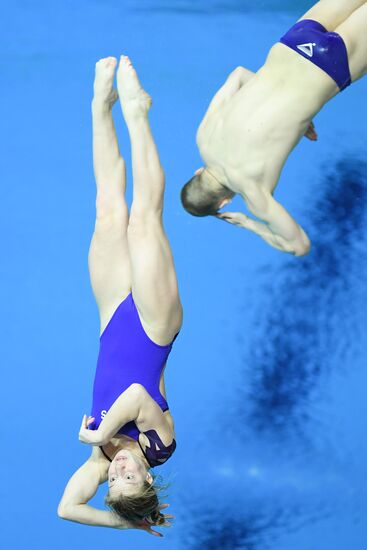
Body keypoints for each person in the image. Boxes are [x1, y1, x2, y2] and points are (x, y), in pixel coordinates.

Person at [58, 55, 183, 535]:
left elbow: (67, 509)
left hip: (112, 316)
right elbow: (133, 395)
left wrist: (128, 524)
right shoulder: (161, 445)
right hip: (154, 327)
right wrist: (99, 433)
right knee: (143, 217)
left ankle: (100, 105)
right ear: (148, 476)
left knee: (108, 210)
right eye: (128, 479)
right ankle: (137, 110)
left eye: (112, 484)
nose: (116, 471)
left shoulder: (102, 456)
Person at [181, 0, 367, 256]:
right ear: (198, 171)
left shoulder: (253, 192)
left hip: (329, 66)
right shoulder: (203, 136)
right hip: (293, 42)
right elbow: (239, 74)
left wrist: (250, 224)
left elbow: (300, 246)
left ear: (225, 201)